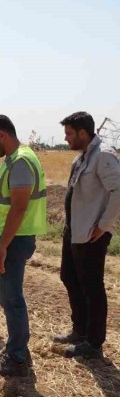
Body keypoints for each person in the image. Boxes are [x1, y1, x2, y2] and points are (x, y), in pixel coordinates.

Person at [0, 115, 47, 377]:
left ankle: (18, 358)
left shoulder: (20, 161)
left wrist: (2, 247)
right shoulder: (18, 157)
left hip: (12, 240)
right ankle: (16, 347)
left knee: (12, 299)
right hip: (8, 237)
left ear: (2, 135)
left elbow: (19, 207)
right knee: (8, 297)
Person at [54, 111, 120, 359]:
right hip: (74, 231)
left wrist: (103, 225)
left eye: (69, 133)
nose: (66, 138)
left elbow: (118, 190)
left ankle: (93, 342)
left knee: (92, 286)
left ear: (83, 133)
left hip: (92, 234)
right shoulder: (82, 158)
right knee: (69, 277)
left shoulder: (103, 156)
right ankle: (79, 330)